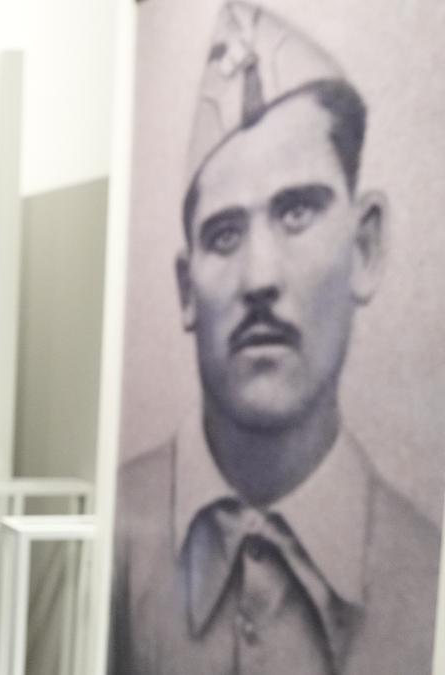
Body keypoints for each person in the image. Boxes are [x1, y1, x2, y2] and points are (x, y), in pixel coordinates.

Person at [110, 4, 440, 674]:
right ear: (185, 290)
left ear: (366, 244)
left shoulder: (427, 574)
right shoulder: (112, 536)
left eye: (297, 211)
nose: (259, 277)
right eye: (225, 234)